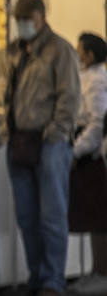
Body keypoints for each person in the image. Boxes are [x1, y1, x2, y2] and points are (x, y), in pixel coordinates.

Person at [2, 0, 80, 296]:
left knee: (52, 217)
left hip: (50, 145)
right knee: (27, 218)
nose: (21, 25)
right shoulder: (19, 51)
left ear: (41, 16)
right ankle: (37, 277)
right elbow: (11, 96)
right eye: (18, 20)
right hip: (20, 143)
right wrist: (6, 130)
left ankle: (52, 282)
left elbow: (70, 97)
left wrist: (56, 133)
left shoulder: (60, 50)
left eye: (26, 20)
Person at [69, 33, 107, 294]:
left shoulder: (98, 79)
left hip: (89, 157)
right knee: (88, 217)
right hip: (82, 153)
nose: (77, 52)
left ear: (90, 54)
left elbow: (96, 124)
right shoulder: (85, 76)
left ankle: (101, 273)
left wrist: (76, 150)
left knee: (98, 220)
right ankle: (93, 272)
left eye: (80, 49)